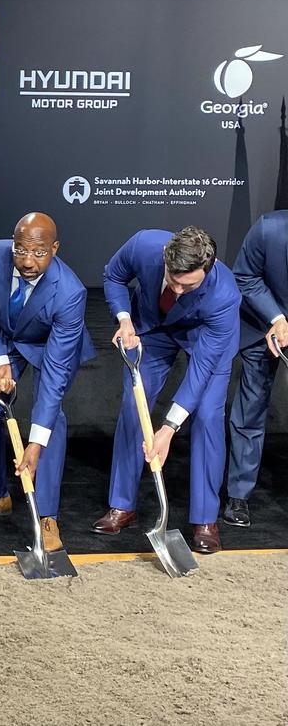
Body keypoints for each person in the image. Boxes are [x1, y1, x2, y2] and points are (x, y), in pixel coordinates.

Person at [94, 226, 240, 553]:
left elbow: (202, 370)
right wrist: (124, 319)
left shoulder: (224, 295)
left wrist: (169, 427)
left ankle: (204, 519)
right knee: (135, 408)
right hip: (152, 329)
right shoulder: (144, 244)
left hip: (205, 338)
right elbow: (113, 276)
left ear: (209, 269)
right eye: (172, 279)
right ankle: (123, 505)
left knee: (206, 416)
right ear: (165, 257)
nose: (176, 288)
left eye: (187, 285)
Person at [0, 212, 95, 551]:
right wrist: (0, 360)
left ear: (54, 249)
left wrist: (34, 443)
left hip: (49, 344)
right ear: (12, 243)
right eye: (20, 250)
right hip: (6, 339)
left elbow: (53, 377)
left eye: (38, 253)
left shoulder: (70, 293)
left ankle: (47, 517)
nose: (27, 261)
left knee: (51, 419)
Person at [225, 211, 288, 527]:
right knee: (250, 410)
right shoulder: (269, 230)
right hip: (261, 327)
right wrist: (275, 319)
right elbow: (244, 276)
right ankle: (239, 494)